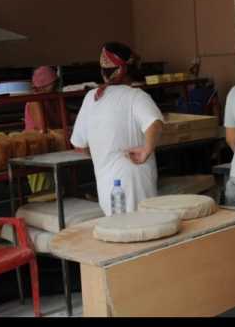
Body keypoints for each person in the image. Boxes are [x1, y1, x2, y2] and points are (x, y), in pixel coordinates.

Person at [70, 42, 164, 215]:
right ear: (128, 70)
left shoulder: (91, 98)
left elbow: (79, 145)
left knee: (118, 233)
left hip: (107, 186)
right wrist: (146, 150)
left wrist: (103, 154)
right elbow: (155, 123)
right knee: (142, 230)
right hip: (135, 183)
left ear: (102, 73)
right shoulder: (136, 96)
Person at [24, 66, 62, 194]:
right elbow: (43, 129)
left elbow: (61, 120)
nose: (56, 87)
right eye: (53, 84)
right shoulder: (35, 101)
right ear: (43, 85)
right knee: (45, 193)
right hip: (37, 153)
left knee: (57, 192)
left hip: (50, 152)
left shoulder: (52, 100)